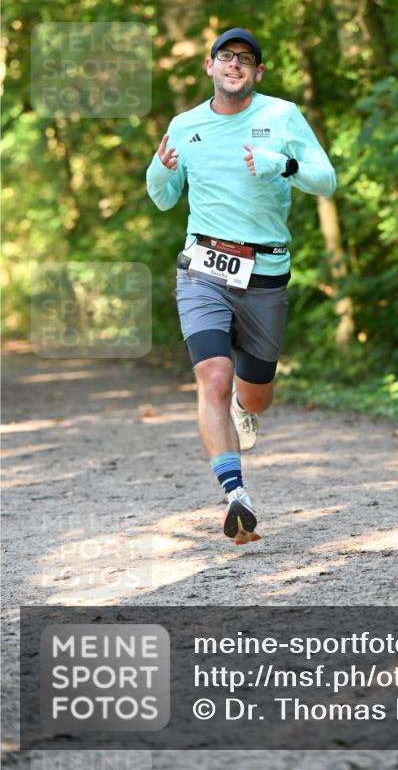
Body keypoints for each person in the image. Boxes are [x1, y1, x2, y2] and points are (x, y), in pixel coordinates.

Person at [146, 27, 336, 545]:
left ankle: (243, 411)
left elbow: (327, 180)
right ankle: (235, 494)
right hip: (202, 265)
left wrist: (286, 165)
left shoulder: (282, 116)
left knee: (255, 395)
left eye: (245, 59)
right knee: (212, 374)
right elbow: (162, 197)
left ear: (257, 72)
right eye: (225, 57)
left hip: (265, 272)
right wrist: (159, 172)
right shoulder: (185, 126)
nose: (235, 65)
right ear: (209, 67)